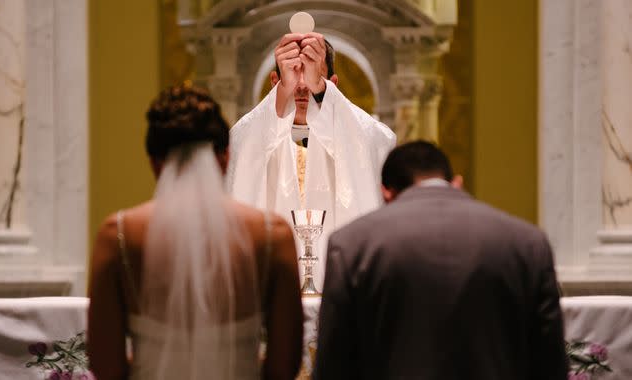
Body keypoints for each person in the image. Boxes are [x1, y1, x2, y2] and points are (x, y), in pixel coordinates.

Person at [87, 85, 303, 380]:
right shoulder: (271, 235)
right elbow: (283, 368)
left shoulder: (119, 236)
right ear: (226, 156)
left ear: (154, 162)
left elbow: (107, 369)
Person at [314, 141, 568, 380]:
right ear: (456, 183)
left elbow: (335, 364)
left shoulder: (351, 244)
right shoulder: (527, 241)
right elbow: (549, 363)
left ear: (386, 193)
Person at [227, 32, 396, 288]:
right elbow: (239, 147)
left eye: (312, 76)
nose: (302, 86)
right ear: (275, 81)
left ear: (333, 84)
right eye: (293, 75)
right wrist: (285, 90)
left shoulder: (353, 132)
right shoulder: (257, 134)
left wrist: (321, 91)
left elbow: (380, 142)